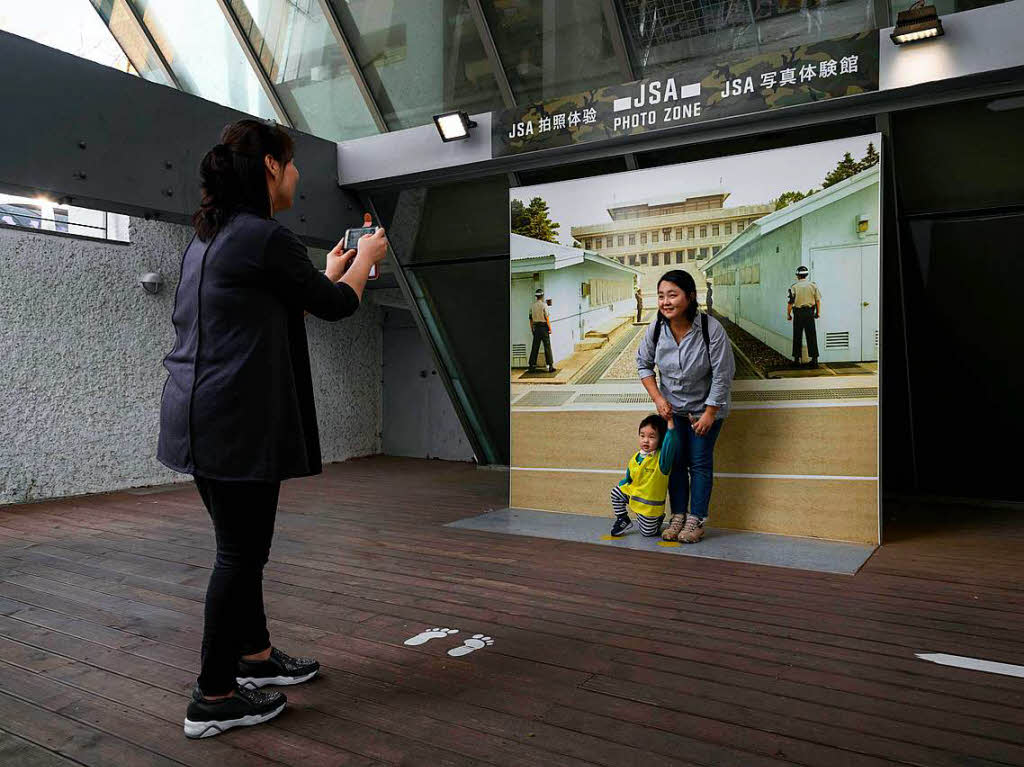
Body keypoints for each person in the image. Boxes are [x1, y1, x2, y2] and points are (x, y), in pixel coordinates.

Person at [157, 119, 388, 739]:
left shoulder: (214, 237)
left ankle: (253, 657)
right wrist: (365, 260)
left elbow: (304, 296)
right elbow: (336, 307)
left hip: (198, 415)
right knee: (239, 553)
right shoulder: (265, 237)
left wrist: (335, 266)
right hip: (235, 421)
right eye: (290, 164)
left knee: (239, 546)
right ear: (268, 170)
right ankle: (211, 697)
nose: (296, 175)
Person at [636, 270, 736, 543]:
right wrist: (658, 398)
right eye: (661, 296)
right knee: (675, 463)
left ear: (690, 296)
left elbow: (723, 374)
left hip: (706, 409)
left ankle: (696, 519)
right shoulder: (655, 329)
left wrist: (710, 413)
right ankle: (678, 515)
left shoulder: (710, 328)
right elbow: (643, 364)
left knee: (700, 462)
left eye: (672, 295)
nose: (665, 301)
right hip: (673, 412)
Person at [610, 414, 678, 538]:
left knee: (647, 533)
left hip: (650, 507)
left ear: (661, 439)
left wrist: (670, 423)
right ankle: (623, 519)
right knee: (615, 492)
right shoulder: (636, 456)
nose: (646, 440)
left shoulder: (662, 460)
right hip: (635, 495)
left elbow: (671, 442)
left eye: (652, 437)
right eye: (642, 436)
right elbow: (629, 476)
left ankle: (657, 519)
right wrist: (624, 483)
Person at [787, 265, 822, 368]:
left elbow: (790, 302)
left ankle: (797, 360)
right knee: (811, 335)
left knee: (797, 336)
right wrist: (818, 312)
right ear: (806, 275)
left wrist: (788, 314)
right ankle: (814, 360)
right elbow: (818, 300)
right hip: (809, 313)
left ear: (797, 275)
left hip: (798, 313)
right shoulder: (813, 286)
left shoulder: (794, 287)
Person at [527, 287, 556, 373]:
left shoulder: (532, 306)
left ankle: (531, 366)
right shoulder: (544, 305)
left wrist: (532, 329)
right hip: (543, 327)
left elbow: (530, 319)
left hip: (536, 328)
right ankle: (550, 366)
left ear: (536, 296)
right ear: (542, 296)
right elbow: (547, 318)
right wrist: (549, 328)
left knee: (535, 347)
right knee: (547, 346)